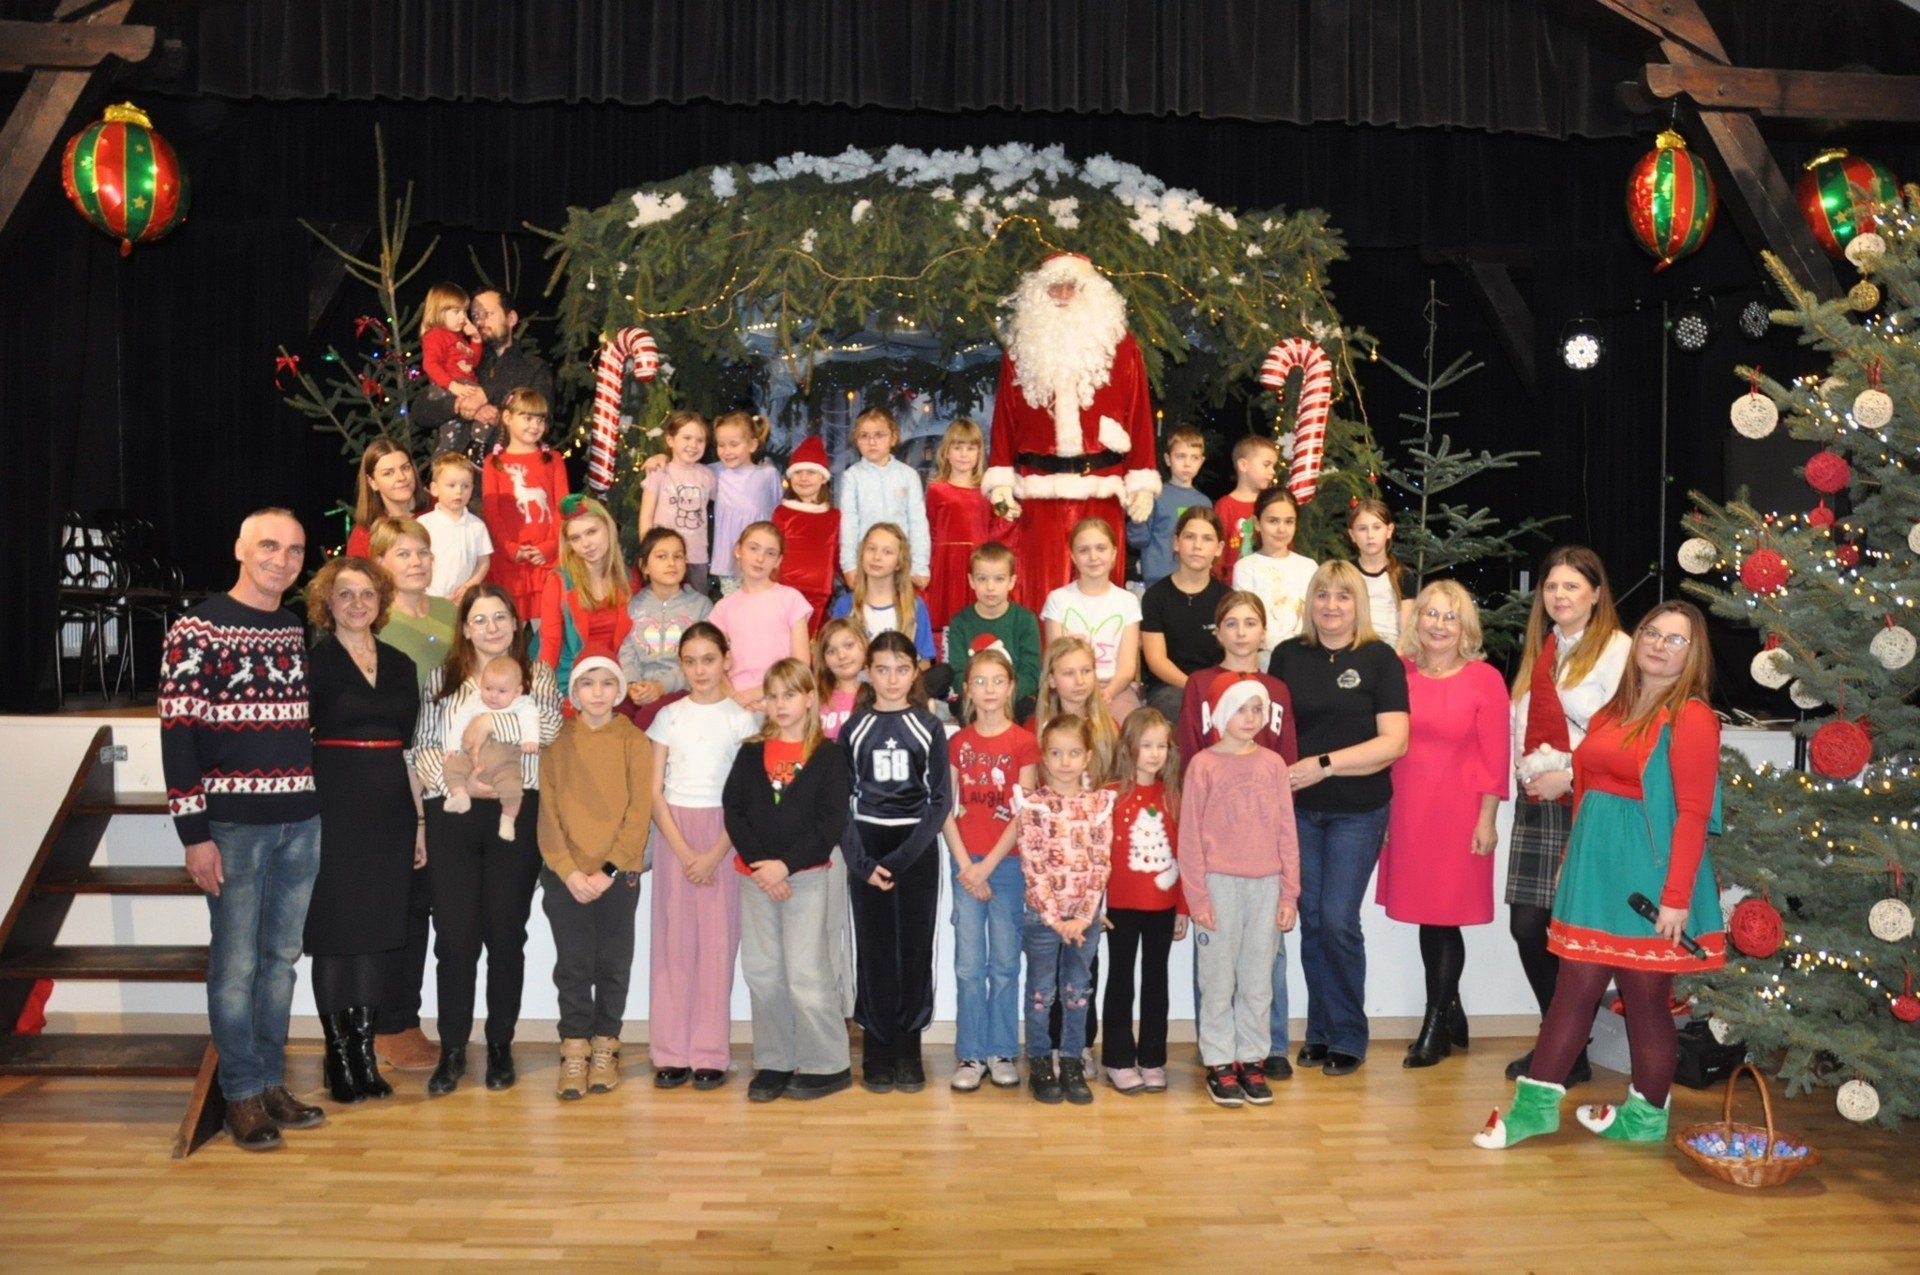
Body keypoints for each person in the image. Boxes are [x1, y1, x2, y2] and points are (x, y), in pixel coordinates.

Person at [1475, 601, 1725, 1150]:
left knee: (1645, 998)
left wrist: (1676, 898)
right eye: (1651, 633)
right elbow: (1586, 785)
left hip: (1649, 875)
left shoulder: (1693, 717)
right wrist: (1571, 858)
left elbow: (1693, 813)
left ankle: (1645, 1119)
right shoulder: (1617, 707)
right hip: (1594, 866)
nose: (1659, 645)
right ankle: (1536, 1109)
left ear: (1693, 653)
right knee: (1574, 988)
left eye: (1674, 639)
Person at [159, 508, 324, 1150]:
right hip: (231, 829)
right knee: (235, 966)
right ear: (239, 549)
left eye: (293, 550)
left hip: (300, 821)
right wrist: (193, 834)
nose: (281, 560)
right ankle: (241, 1095)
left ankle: (271, 1081)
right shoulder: (196, 629)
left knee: (280, 961)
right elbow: (177, 738)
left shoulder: (290, 629)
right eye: (268, 546)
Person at [410, 585, 564, 1096]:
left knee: (505, 936)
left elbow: (545, 728)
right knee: (455, 940)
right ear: (466, 628)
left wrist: (482, 720)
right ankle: (453, 1048)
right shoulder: (444, 678)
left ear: (516, 624)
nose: (492, 627)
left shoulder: (536, 676)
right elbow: (424, 749)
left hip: (513, 814)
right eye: (480, 619)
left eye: (501, 617)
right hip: (453, 813)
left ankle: (500, 1044)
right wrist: (466, 784)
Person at [1270, 560, 1410, 1077]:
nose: (1332, 605)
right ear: (1311, 601)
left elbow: (1394, 743)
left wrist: (1322, 766)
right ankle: (1321, 1031)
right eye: (1323, 594)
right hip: (1298, 813)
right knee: (1311, 921)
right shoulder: (1287, 655)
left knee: (1338, 920)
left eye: (1343, 596)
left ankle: (1349, 1034)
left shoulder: (1379, 659)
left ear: (1359, 603)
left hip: (1358, 811)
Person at [1503, 545, 1630, 1084]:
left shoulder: (1618, 651)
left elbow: (1624, 733)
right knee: (1528, 926)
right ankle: (1565, 1045)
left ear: (1597, 594)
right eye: (1552, 587)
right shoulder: (1546, 649)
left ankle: (1564, 1047)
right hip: (1539, 804)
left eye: (1571, 587)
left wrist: (1572, 774)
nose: (1559, 596)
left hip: (1588, 801)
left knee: (1567, 929)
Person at [303, 556, 422, 1105]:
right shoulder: (314, 662)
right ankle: (338, 1054)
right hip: (333, 808)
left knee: (376, 932)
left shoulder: (400, 664)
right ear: (328, 603)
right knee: (334, 933)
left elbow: (410, 750)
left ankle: (365, 1053)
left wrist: (419, 822)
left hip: (391, 813)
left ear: (381, 603)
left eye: (367, 594)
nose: (357, 604)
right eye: (345, 594)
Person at [1380, 581, 1511, 1069]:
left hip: (1460, 814)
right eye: (1430, 615)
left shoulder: (1484, 679)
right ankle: (1452, 1011)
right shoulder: (1400, 674)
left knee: (1444, 917)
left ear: (1466, 627)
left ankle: (1434, 1024)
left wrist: (1488, 820)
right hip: (1409, 808)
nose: (1438, 625)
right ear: (1417, 622)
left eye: (1449, 617)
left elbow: (1496, 757)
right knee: (1426, 914)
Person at [984, 252, 1161, 604]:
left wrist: (1141, 482)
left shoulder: (1122, 347)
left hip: (1102, 493)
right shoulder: (1021, 349)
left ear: (1090, 293)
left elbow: (1139, 416)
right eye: (1054, 288)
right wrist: (1001, 483)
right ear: (1039, 295)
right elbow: (1004, 418)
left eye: (1072, 287)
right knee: (1042, 593)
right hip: (1039, 498)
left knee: (1101, 593)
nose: (1063, 295)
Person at [1174, 590, 1297, 1077]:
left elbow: (1285, 761)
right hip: (1217, 857)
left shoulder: (1278, 691)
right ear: (1218, 630)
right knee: (1218, 969)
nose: (1242, 632)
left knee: (1263, 967)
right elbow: (1188, 752)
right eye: (1232, 623)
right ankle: (1218, 1056)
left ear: (1263, 630)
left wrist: (1288, 877)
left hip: (1264, 857)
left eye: (1252, 622)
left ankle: (1263, 1051)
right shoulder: (1199, 686)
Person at [723, 658, 855, 1103]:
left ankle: (827, 1064)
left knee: (806, 973)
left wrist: (788, 866)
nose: (781, 704)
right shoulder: (749, 752)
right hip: (756, 879)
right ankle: (775, 1059)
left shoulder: (829, 755)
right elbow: (735, 812)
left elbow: (830, 823)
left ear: (810, 699)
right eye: (773, 695)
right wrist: (764, 865)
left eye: (790, 694)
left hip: (808, 879)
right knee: (763, 973)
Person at [644, 623, 759, 1091]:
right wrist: (683, 848)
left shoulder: (742, 720)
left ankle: (711, 1051)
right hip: (676, 835)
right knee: (674, 947)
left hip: (723, 837)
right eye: (689, 661)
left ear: (726, 660)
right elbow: (654, 791)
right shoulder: (669, 717)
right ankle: (670, 1052)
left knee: (715, 947)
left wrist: (714, 853)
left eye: (708, 659)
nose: (699, 670)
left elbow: (747, 797)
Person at [537, 652, 653, 1101]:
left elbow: (638, 813)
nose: (599, 692)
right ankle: (574, 1050)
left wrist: (608, 870)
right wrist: (568, 871)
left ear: (620, 691)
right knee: (573, 965)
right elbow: (547, 813)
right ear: (574, 692)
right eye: (589, 684)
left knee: (612, 965)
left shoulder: (633, 741)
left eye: (608, 684)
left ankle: (606, 1046)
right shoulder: (557, 742)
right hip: (565, 876)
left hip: (617, 877)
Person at [841, 631, 952, 1094]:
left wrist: (904, 859)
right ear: (868, 671)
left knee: (914, 950)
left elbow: (940, 800)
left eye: (901, 669)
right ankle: (878, 1048)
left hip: (916, 849)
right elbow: (841, 803)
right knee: (874, 951)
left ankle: (908, 1047)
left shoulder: (929, 727)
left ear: (915, 672)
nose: (891, 679)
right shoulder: (854, 728)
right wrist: (863, 863)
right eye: (882, 669)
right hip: (867, 846)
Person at [364, 516, 451, 1072]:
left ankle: (407, 1019)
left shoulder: (449, 613)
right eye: (403, 554)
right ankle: (385, 1024)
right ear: (381, 565)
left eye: (422, 551)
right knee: (395, 900)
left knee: (424, 902)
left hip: (449, 771)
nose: (416, 561)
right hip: (399, 771)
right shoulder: (377, 622)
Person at [941, 646, 1039, 1094]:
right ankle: (970, 1053)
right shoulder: (957, 744)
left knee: (1003, 964)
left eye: (997, 680)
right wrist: (966, 867)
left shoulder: (1023, 742)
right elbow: (946, 809)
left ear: (1011, 687)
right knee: (967, 966)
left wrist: (989, 866)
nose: (989, 690)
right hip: (966, 865)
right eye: (979, 681)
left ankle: (1001, 1050)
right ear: (966, 690)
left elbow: (1024, 814)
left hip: (1006, 866)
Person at [1013, 715, 1115, 1106]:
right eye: (1056, 753)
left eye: (1074, 753)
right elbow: (1033, 864)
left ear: (1087, 756)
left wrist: (1084, 918)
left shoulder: (1098, 805)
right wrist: (1057, 921)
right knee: (1042, 992)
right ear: (1043, 757)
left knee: (1077, 992)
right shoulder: (1033, 804)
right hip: (1043, 920)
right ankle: (1041, 1061)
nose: (1065, 762)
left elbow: (1101, 865)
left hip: (1084, 921)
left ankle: (1071, 1060)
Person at [1101, 709, 1185, 1096]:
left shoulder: (1174, 796)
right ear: (1129, 748)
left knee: (1156, 982)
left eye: (1161, 746)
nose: (1154, 754)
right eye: (1146, 745)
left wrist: (1183, 907)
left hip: (1163, 906)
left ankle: (1152, 1058)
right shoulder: (1110, 795)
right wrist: (1096, 904)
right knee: (1120, 980)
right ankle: (1118, 1059)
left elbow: (1186, 855)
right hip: (1119, 906)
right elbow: (1097, 854)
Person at [431, 287, 557, 461]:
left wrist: (490, 404)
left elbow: (544, 423)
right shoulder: (464, 363)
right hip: (458, 478)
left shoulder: (534, 368)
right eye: (475, 316)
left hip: (508, 474)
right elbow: (421, 410)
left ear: (511, 318)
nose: (480, 322)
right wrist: (460, 405)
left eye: (488, 313)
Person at [480, 388, 569, 627]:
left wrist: (550, 547)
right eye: (527, 418)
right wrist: (510, 548)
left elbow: (562, 508)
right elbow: (491, 512)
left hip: (547, 561)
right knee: (510, 628)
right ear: (507, 419)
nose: (535, 425)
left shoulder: (553, 460)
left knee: (549, 629)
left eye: (540, 419)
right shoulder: (494, 463)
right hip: (511, 563)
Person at [828, 523, 949, 697]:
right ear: (862, 554)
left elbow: (923, 662)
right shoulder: (845, 605)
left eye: (887, 552)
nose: (877, 557)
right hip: (861, 687)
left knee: (942, 673)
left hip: (902, 689)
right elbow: (833, 657)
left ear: (899, 563)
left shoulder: (915, 606)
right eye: (871, 549)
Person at [1041, 517, 1143, 722]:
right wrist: (1081, 692)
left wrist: (1109, 692)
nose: (1093, 556)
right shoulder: (1058, 599)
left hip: (1114, 688)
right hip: (1069, 689)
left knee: (1132, 728)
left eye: (1100, 548)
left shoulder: (1128, 601)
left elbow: (1126, 666)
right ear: (1073, 556)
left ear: (1114, 553)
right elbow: (1056, 660)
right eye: (1084, 550)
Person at [708, 521, 813, 711]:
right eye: (753, 548)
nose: (760, 558)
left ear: (778, 561)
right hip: (735, 702)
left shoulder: (791, 599)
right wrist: (734, 697)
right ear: (738, 550)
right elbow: (713, 661)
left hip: (782, 699)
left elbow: (801, 664)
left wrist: (757, 694)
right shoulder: (723, 608)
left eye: (770, 553)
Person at [538, 495, 635, 698]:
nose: (586, 544)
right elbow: (551, 641)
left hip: (616, 679)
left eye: (591, 532)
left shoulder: (629, 580)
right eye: (575, 538)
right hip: (569, 680)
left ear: (608, 527)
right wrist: (543, 687)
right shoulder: (558, 582)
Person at [617, 527, 712, 730]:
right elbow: (626, 651)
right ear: (644, 566)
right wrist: (632, 684)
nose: (671, 563)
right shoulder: (633, 605)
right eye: (662, 556)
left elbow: (701, 662)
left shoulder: (700, 606)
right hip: (640, 689)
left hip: (682, 689)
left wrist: (661, 687)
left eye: (678, 556)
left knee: (650, 718)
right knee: (614, 718)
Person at [1140, 507, 1228, 721]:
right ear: (1176, 543)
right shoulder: (1155, 597)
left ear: (1218, 548)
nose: (1197, 546)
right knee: (1185, 710)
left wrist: (1217, 688)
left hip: (1218, 685)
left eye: (1207, 539)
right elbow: (1156, 660)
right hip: (1169, 688)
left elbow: (1234, 655)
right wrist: (1194, 687)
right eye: (1190, 537)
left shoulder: (1227, 599)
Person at [440, 655, 541, 839]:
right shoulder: (475, 700)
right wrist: (452, 747)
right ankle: (460, 796)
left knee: (512, 788)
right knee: (451, 766)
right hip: (470, 758)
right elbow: (459, 721)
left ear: (517, 692)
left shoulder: (522, 703)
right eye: (488, 688)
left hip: (505, 762)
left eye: (502, 691)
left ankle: (508, 819)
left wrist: (530, 739)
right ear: (481, 684)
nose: (493, 695)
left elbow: (531, 718)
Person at [942, 541, 1042, 719]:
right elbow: (958, 672)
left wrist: (1002, 696)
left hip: (1013, 699)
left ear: (1011, 582)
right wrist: (981, 696)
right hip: (974, 699)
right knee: (960, 706)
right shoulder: (960, 622)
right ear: (971, 581)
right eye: (982, 579)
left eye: (999, 579)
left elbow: (1031, 673)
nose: (990, 587)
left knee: (1027, 705)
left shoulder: (1025, 620)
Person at [838, 406, 930, 590]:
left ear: (893, 438)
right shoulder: (852, 477)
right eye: (864, 436)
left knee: (899, 612)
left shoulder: (908, 475)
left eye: (879, 435)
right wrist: (850, 566)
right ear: (856, 440)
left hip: (900, 561)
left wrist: (920, 565)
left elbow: (918, 522)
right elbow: (848, 523)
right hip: (867, 562)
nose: (872, 442)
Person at [924, 418, 998, 643]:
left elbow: (994, 528)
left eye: (970, 448)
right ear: (946, 452)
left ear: (979, 453)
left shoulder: (987, 491)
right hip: (946, 564)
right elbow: (930, 529)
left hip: (977, 563)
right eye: (957, 447)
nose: (964, 454)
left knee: (977, 618)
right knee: (947, 620)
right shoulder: (937, 490)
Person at [1232, 486, 1317, 662]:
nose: (1281, 529)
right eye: (1273, 521)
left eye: (1289, 521)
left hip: (1305, 658)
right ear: (1257, 523)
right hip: (1262, 660)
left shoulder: (1309, 567)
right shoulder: (1246, 568)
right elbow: (1245, 621)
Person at [638, 411, 717, 596]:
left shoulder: (709, 475)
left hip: (696, 558)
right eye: (687, 438)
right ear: (670, 440)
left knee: (696, 608)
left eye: (700, 440)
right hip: (664, 557)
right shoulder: (659, 471)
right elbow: (646, 515)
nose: (693, 445)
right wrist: (647, 553)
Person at [708, 411, 784, 594]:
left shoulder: (768, 475)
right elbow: (687, 470)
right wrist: (661, 458)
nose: (727, 451)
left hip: (761, 558)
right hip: (730, 561)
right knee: (733, 606)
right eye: (721, 445)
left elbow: (777, 512)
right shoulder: (715, 472)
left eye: (734, 445)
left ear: (752, 445)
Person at [771, 435, 838, 633]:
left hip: (819, 592)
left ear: (823, 477)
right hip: (785, 589)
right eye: (798, 472)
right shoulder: (782, 513)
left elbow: (838, 554)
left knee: (811, 642)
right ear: (790, 478)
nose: (804, 477)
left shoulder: (834, 516)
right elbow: (773, 551)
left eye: (811, 472)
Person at [1032, 635, 1119, 785]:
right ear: (1051, 680)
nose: (1080, 681)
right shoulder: (1034, 730)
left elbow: (1118, 782)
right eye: (1069, 673)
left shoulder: (1111, 728)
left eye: (1086, 671)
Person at [1128, 425, 1207, 589]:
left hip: (1193, 580)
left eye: (1194, 458)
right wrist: (1136, 521)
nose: (1187, 463)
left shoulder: (1204, 503)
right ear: (1168, 459)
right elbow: (1139, 540)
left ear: (1201, 461)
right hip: (1158, 580)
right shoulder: (1155, 496)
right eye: (1181, 456)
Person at [418, 453, 493, 605]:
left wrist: (470, 585)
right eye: (451, 485)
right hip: (430, 599)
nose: (459, 491)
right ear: (434, 489)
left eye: (465, 486)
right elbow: (416, 560)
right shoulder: (424, 523)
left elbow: (483, 562)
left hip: (463, 600)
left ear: (472, 488)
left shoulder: (477, 526)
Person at [1346, 499, 1414, 647]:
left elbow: (1407, 631)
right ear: (1352, 535)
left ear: (1389, 530)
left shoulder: (1402, 575)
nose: (1370, 535)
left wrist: (1397, 656)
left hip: (1390, 647)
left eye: (1377, 527)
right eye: (1362, 529)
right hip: (1354, 643)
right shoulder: (1346, 574)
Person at [1211, 435, 1279, 582]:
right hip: (1232, 587)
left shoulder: (1270, 505)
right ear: (1243, 465)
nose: (1272, 472)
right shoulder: (1225, 506)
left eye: (1274, 466)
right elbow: (1216, 551)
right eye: (1266, 465)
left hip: (1266, 583)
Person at [346, 440, 423, 559]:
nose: (401, 477)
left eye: (405, 468)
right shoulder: (364, 534)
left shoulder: (441, 508)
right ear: (372, 482)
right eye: (388, 473)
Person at [419, 281, 484, 403]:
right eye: (456, 312)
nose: (463, 317)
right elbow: (430, 364)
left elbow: (472, 363)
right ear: (438, 311)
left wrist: (476, 340)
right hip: (447, 389)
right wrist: (452, 385)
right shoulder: (436, 335)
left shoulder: (459, 338)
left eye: (464, 311)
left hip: (466, 385)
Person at [813, 617, 867, 738]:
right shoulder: (816, 698)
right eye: (831, 651)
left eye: (849, 645)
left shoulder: (880, 694)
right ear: (824, 660)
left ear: (865, 645)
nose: (841, 655)